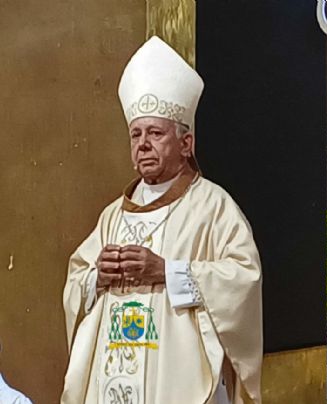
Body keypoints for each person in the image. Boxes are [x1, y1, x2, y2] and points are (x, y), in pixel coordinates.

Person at [61, 36, 262, 404]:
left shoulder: (214, 207)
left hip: (176, 383)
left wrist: (167, 271)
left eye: (155, 133)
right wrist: (96, 277)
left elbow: (244, 279)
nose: (142, 144)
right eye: (135, 134)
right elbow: (76, 281)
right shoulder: (112, 215)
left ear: (186, 144)